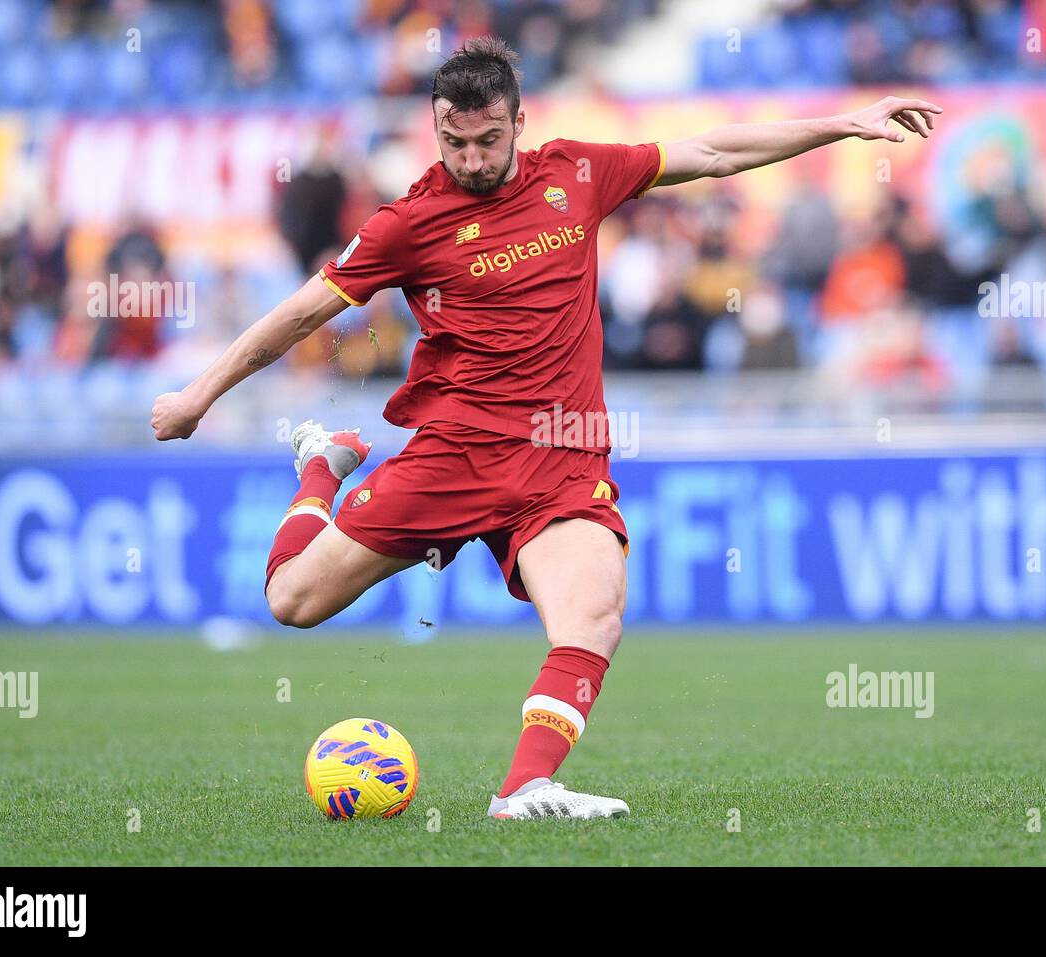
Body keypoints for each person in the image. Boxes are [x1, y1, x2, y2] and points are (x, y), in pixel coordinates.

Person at [150, 36, 941, 819]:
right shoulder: (408, 223)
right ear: (434, 129)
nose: (470, 157)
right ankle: (322, 466)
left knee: (594, 614)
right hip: (454, 454)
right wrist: (199, 394)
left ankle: (525, 788)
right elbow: (299, 315)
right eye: (453, 142)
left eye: (487, 140)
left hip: (562, 456)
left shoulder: (578, 173)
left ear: (519, 123)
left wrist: (845, 121)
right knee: (292, 600)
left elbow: (712, 151)